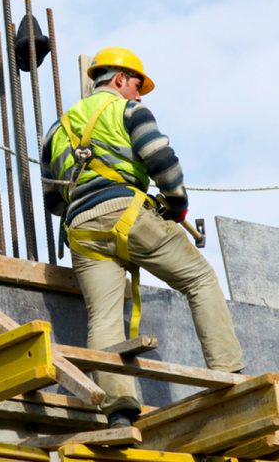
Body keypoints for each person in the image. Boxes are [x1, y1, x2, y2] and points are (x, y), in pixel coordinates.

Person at [41, 47, 243, 428]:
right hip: (128, 214)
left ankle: (118, 410)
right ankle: (229, 373)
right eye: (136, 85)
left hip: (81, 229)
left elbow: (53, 199)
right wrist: (177, 204)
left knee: (103, 317)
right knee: (200, 279)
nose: (139, 94)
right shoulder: (128, 110)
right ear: (118, 79)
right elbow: (160, 159)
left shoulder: (56, 129)